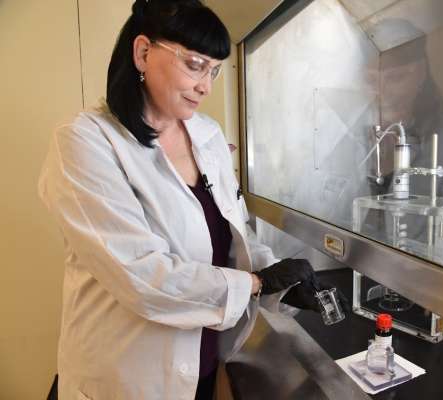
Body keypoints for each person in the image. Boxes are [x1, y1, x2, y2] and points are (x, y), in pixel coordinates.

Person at [38, 1, 346, 399]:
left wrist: (280, 280)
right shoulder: (86, 141)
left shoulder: (207, 134)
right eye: (195, 65)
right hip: (127, 379)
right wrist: (254, 283)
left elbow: (231, 236)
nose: (206, 86)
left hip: (197, 370)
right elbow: (141, 276)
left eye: (214, 70)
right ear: (143, 53)